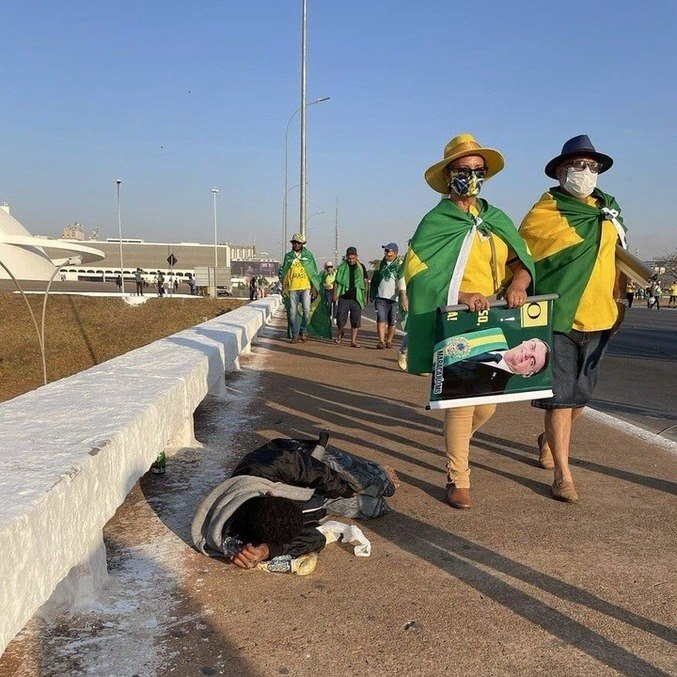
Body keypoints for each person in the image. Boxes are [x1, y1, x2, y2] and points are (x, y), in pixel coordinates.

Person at [404, 133, 534, 509]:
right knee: (463, 400)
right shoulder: (435, 221)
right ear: (448, 176)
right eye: (463, 170)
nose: (471, 176)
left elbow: (518, 261)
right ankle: (458, 476)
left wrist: (520, 284)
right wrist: (460, 295)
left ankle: (456, 443)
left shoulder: (495, 218)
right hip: (455, 317)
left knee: (487, 403)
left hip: (493, 315)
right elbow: (418, 273)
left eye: (479, 170)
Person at [520, 134, 628, 503]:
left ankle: (547, 438)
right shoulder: (545, 212)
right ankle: (563, 476)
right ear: (561, 171)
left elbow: (618, 260)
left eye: (592, 166)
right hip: (558, 316)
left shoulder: (609, 211)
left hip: (601, 315)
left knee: (581, 396)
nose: (586, 172)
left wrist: (620, 302)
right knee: (561, 399)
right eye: (578, 166)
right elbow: (522, 257)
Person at [191, 433, 396, 570]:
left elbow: (304, 466)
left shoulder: (258, 468)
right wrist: (268, 551)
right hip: (322, 505)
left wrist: (342, 489)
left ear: (269, 494)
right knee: (377, 509)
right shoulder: (246, 538)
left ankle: (383, 473)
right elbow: (315, 538)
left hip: (316, 470)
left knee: (381, 484)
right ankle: (369, 487)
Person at [439, 337, 549, 398]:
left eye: (532, 361)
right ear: (526, 341)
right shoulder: (493, 335)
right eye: (532, 347)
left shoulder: (492, 391)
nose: (528, 354)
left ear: (527, 375)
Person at [279, 233, 322, 343]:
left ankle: (304, 330)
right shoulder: (289, 257)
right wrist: (284, 287)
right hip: (293, 288)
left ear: (302, 244)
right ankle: (295, 334)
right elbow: (285, 273)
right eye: (294, 243)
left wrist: (313, 288)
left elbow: (313, 273)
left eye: (298, 243)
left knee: (306, 311)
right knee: (293, 312)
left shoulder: (308, 256)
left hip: (306, 287)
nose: (296, 244)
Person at [370, 243, 406, 349]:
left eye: (388, 251)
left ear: (395, 253)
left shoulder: (400, 266)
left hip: (394, 298)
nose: (386, 253)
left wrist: (403, 295)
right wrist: (372, 294)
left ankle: (389, 341)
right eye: (385, 251)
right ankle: (381, 341)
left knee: (392, 321)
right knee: (381, 318)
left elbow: (402, 281)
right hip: (380, 297)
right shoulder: (381, 264)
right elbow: (375, 280)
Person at [333, 247, 370, 348]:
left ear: (356, 257)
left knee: (355, 320)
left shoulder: (361, 267)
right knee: (340, 318)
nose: (351, 260)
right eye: (349, 258)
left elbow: (366, 282)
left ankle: (353, 341)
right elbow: (336, 281)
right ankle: (340, 332)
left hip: (357, 298)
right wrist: (335, 294)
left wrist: (366, 297)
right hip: (344, 297)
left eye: (353, 258)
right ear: (346, 257)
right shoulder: (342, 267)